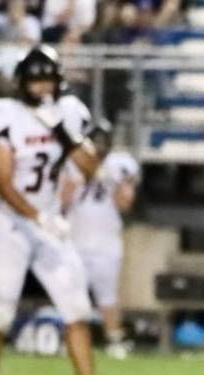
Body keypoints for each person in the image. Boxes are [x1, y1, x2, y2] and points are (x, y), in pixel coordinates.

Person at [0, 45, 127, 375]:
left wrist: (63, 133)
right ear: (21, 83)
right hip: (10, 224)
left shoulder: (69, 113)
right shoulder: (4, 116)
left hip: (49, 224)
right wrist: (38, 216)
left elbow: (91, 167)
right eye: (35, 80)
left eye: (47, 80)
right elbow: (3, 182)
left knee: (76, 308)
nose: (42, 87)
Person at [61, 118, 139, 361]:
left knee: (108, 297)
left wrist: (109, 180)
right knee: (72, 296)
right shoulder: (71, 164)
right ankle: (72, 341)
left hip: (106, 242)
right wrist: (81, 178)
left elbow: (125, 203)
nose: (98, 147)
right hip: (74, 239)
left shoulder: (120, 165)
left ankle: (114, 339)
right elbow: (61, 201)